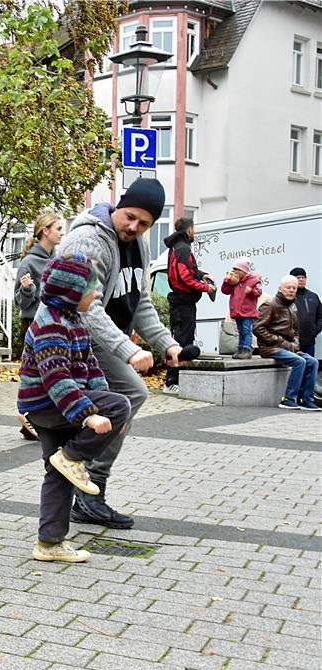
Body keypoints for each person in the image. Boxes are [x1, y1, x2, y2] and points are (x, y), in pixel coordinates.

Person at [58, 177, 181, 530]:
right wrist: (128, 350)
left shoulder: (137, 245)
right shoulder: (89, 239)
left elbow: (139, 300)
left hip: (103, 338)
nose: (134, 227)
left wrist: (166, 343)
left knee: (115, 404)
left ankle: (81, 477)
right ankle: (84, 478)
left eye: (144, 223)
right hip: (76, 335)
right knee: (132, 393)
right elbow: (87, 307)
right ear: (119, 205)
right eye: (130, 217)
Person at [18, 253, 131, 563]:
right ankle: (71, 457)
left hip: (59, 404)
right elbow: (57, 379)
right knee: (122, 403)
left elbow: (90, 367)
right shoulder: (50, 325)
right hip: (47, 405)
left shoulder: (73, 320)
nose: (94, 294)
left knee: (58, 473)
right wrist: (90, 414)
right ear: (71, 292)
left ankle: (49, 544)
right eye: (89, 289)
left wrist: (101, 406)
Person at [12, 211, 64, 438]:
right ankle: (27, 417)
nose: (62, 233)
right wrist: (28, 289)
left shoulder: (58, 259)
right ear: (45, 231)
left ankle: (35, 421)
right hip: (33, 325)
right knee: (35, 375)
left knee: (50, 374)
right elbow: (19, 303)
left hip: (56, 325)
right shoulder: (29, 262)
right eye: (59, 229)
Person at [163, 217, 215, 391]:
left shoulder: (178, 248)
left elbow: (188, 271)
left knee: (184, 340)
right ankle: (171, 381)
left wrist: (202, 274)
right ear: (189, 230)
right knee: (181, 341)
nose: (195, 232)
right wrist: (206, 288)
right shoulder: (182, 248)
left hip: (184, 302)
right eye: (194, 229)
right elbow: (183, 278)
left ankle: (178, 380)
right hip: (182, 302)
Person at [255, 276, 320, 411]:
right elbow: (257, 328)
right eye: (288, 287)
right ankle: (288, 399)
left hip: (288, 348)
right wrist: (281, 341)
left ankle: (306, 400)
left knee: (313, 362)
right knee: (300, 361)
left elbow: (295, 331)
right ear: (280, 289)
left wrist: (295, 344)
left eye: (294, 288)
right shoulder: (270, 305)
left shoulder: (292, 307)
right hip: (270, 348)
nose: (291, 290)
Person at [220, 258, 262, 360]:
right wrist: (226, 281)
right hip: (237, 311)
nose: (234, 271)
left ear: (244, 271)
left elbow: (258, 292)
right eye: (233, 269)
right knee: (240, 331)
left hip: (247, 312)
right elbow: (225, 291)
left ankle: (247, 349)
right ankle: (240, 349)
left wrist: (251, 291)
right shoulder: (234, 281)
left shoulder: (253, 281)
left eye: (237, 269)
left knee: (246, 330)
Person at [290, 267, 321, 358]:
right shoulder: (287, 296)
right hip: (292, 341)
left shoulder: (313, 296)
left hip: (309, 341)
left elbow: (320, 316)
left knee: (310, 365)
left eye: (303, 277)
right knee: (296, 367)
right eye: (298, 277)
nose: (301, 279)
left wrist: (315, 330)